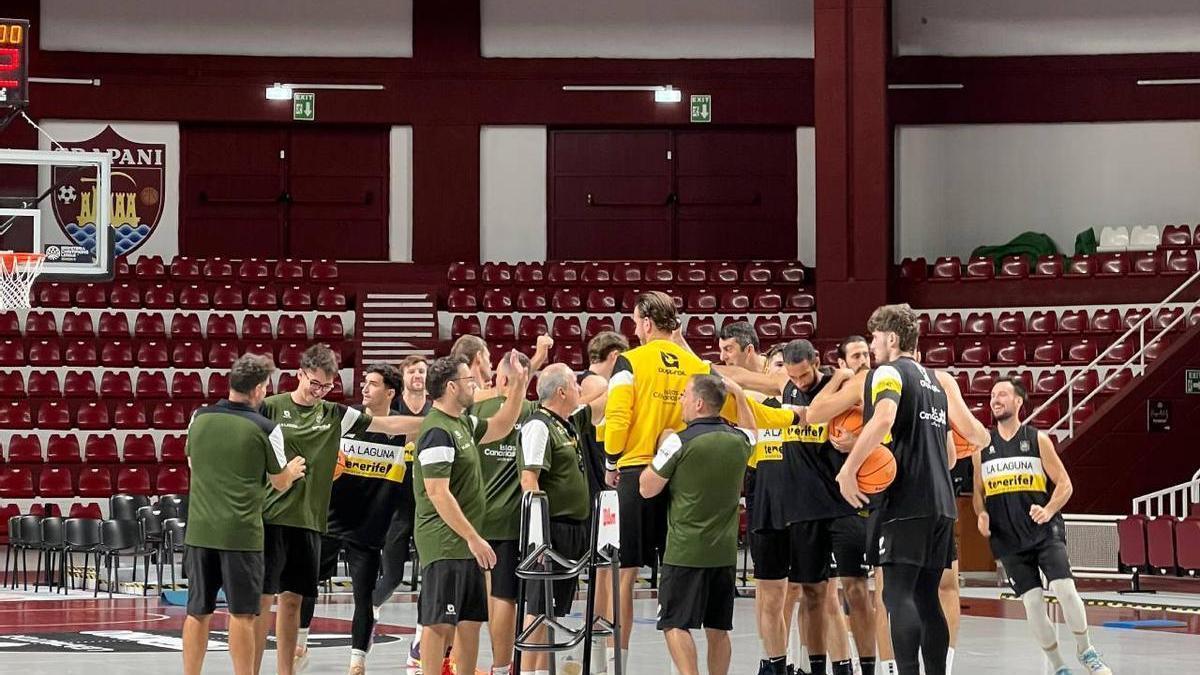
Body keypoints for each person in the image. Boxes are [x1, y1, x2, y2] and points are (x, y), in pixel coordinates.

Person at [603, 292, 801, 663]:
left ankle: (617, 666)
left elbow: (617, 419)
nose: (634, 328)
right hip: (686, 475)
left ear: (647, 323)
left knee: (624, 577)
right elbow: (745, 408)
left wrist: (612, 462)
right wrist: (794, 416)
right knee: (684, 576)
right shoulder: (697, 367)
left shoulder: (630, 361)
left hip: (639, 472)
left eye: (635, 321)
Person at [834, 305, 989, 675]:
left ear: (892, 338)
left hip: (905, 501)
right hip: (941, 503)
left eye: (874, 338)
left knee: (897, 594)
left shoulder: (888, 373)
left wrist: (850, 468)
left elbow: (884, 417)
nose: (872, 346)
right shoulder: (937, 382)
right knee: (927, 597)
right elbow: (961, 448)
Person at [254, 344, 425, 675]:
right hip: (301, 518)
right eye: (315, 383)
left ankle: (345, 662)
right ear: (300, 374)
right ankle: (274, 657)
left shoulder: (342, 416)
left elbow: (394, 429)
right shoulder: (279, 408)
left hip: (346, 524)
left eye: (327, 386)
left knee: (315, 597)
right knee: (277, 598)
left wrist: (444, 418)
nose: (320, 391)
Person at [974, 378, 1113, 675]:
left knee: (1065, 589)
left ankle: (1086, 650)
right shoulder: (982, 448)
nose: (995, 399)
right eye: (992, 395)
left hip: (1044, 532)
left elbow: (1065, 484)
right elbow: (977, 495)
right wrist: (981, 514)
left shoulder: (1037, 440)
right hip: (1008, 538)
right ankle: (1059, 666)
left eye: (1002, 394)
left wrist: (1048, 509)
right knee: (1033, 603)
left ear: (1018, 402)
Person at [183, 354, 307, 675]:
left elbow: (193, 463)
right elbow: (279, 482)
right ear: (258, 390)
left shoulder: (199, 418)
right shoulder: (266, 428)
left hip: (199, 531)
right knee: (242, 614)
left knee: (197, 611)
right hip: (241, 534)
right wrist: (293, 471)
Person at [412, 353, 530, 675]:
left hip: (466, 544)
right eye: (469, 380)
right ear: (451, 387)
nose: (475, 385)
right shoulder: (437, 431)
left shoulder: (462, 423)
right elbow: (438, 493)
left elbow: (502, 425)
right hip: (445, 543)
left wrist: (519, 384)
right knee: (439, 623)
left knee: (470, 621)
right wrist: (473, 538)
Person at [295, 364, 412, 675]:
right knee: (307, 585)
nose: (364, 388)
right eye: (364, 382)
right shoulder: (347, 420)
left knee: (364, 598)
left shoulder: (402, 432)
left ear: (390, 392)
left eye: (372, 384)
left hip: (369, 528)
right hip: (331, 520)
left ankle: (357, 662)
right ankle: (299, 646)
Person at [638, 374, 756, 675]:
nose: (681, 401)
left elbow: (647, 488)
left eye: (685, 396)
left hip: (685, 552)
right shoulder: (739, 441)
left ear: (699, 403)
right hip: (724, 554)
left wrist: (659, 451)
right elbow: (752, 431)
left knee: (674, 623)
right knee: (718, 628)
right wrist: (740, 396)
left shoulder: (679, 441)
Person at [517, 363, 597, 675]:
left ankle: (541, 671)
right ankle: (527, 672)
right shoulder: (539, 425)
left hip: (573, 529)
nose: (580, 388)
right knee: (539, 608)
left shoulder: (566, 423)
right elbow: (529, 479)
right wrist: (539, 537)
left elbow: (602, 400)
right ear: (561, 391)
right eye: (575, 384)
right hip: (551, 530)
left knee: (552, 610)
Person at [467, 350, 537, 675]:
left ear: (502, 378)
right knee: (505, 596)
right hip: (511, 519)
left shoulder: (476, 409)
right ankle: (502, 666)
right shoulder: (533, 412)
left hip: (475, 518)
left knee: (482, 596)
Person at [372, 355, 431, 610]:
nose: (417, 376)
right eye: (412, 371)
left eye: (421, 371)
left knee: (431, 574)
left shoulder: (436, 411)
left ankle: (424, 626)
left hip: (428, 503)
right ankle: (369, 610)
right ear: (403, 376)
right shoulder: (392, 413)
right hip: (397, 505)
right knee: (392, 576)